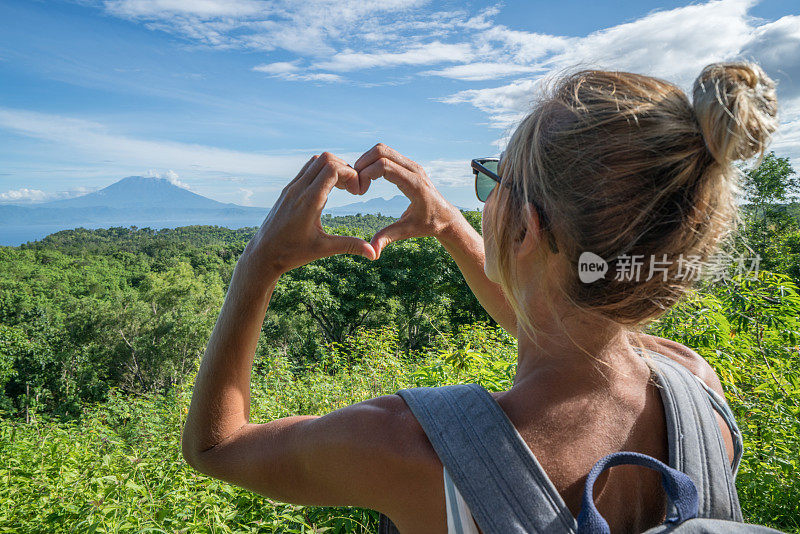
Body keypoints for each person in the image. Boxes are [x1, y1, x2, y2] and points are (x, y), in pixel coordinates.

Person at [181, 61, 779, 533]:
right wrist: (444, 222)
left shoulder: (411, 448)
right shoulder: (695, 386)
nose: (481, 197)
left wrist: (261, 261)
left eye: (492, 180)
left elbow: (216, 447)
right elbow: (560, 326)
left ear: (524, 230)